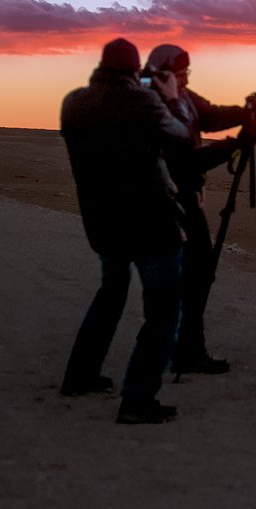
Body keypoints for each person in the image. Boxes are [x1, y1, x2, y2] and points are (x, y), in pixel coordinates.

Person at [59, 37, 192, 424]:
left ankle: (80, 375)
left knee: (111, 293)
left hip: (102, 223)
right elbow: (181, 136)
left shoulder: (74, 102)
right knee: (163, 312)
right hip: (150, 225)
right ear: (135, 71)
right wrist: (171, 98)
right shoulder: (144, 102)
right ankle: (137, 398)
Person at [144, 44, 256, 375]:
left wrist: (244, 114)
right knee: (190, 276)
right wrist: (234, 146)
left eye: (186, 74)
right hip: (169, 201)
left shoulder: (182, 97)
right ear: (164, 73)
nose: (185, 79)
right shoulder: (154, 106)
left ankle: (185, 346)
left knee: (194, 274)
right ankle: (185, 351)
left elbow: (209, 115)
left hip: (185, 198)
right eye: (181, 74)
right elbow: (185, 159)